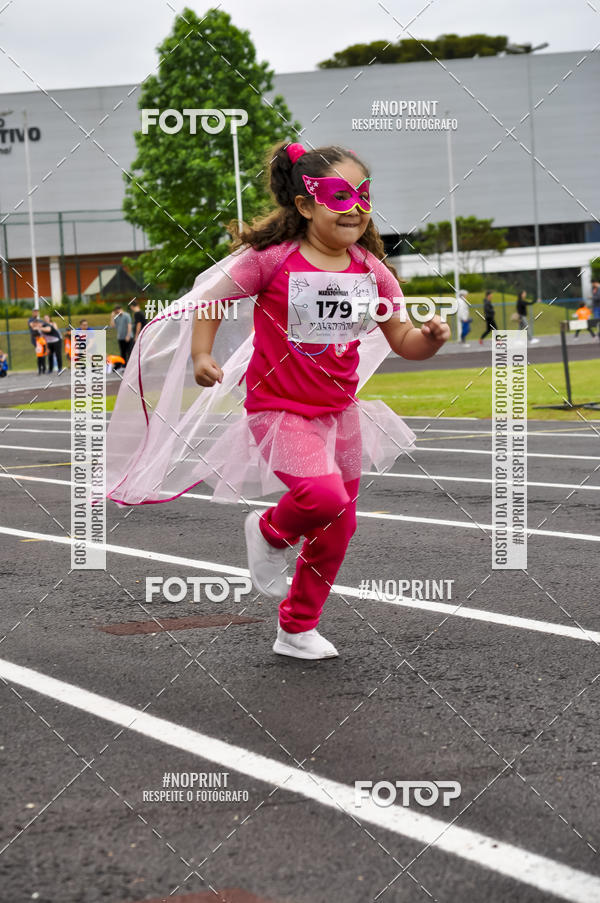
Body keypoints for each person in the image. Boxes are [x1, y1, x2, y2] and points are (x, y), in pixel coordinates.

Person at [106, 141, 450, 661]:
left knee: (339, 527)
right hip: (278, 410)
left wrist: (431, 339)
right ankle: (268, 531)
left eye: (363, 195)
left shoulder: (372, 271)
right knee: (324, 499)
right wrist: (202, 354)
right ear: (307, 205)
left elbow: (402, 338)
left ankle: (296, 628)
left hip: (341, 414)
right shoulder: (272, 261)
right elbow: (213, 298)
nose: (355, 206)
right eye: (339, 195)